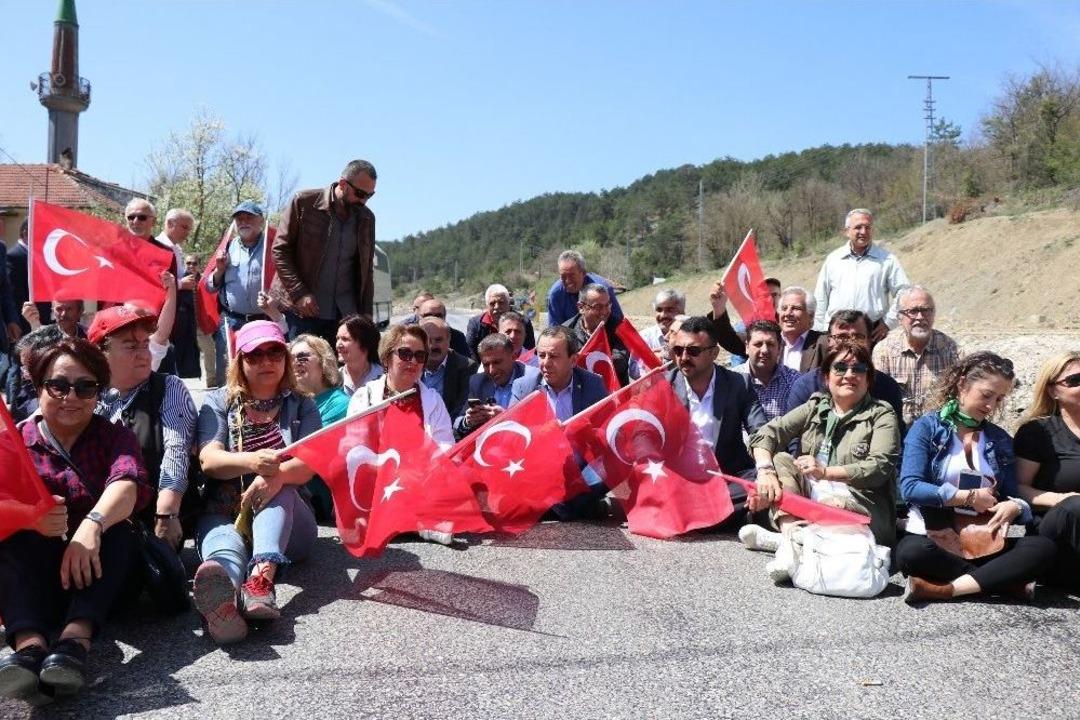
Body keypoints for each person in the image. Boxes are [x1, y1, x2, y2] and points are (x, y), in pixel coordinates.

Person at [0, 338, 151, 700]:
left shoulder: (115, 436)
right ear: (38, 388)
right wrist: (30, 519)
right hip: (40, 579)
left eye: (85, 387)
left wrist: (92, 525)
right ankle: (29, 647)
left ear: (98, 393)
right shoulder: (13, 441)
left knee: (120, 529)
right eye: (59, 385)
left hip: (105, 577)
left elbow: (128, 485)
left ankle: (74, 644)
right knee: (12, 538)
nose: (71, 396)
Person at [193, 321, 320, 644]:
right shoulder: (217, 401)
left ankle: (261, 580)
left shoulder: (303, 403)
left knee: (281, 483)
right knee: (223, 553)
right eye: (255, 354)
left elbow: (307, 466)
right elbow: (209, 460)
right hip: (226, 510)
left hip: (290, 524)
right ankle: (224, 603)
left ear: (286, 358)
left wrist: (273, 475)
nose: (266, 361)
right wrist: (252, 461)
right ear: (240, 361)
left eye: (275, 352)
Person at [896, 352, 1055, 604]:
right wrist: (967, 497)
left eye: (999, 398)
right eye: (986, 394)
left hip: (983, 535)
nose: (991, 405)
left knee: (1042, 548)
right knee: (911, 553)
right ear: (962, 384)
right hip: (933, 534)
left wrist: (1015, 506)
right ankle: (1005, 582)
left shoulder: (999, 438)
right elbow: (910, 488)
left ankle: (944, 589)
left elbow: (1013, 494)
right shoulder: (926, 427)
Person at [741, 340, 901, 584]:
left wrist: (825, 472)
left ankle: (787, 543)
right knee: (782, 460)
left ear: (868, 379)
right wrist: (764, 471)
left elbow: (879, 467)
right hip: (812, 502)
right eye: (840, 368)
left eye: (858, 369)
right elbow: (768, 434)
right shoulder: (816, 406)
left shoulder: (882, 413)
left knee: (834, 503)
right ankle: (791, 538)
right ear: (827, 377)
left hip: (859, 506)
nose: (849, 375)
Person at [88, 305, 197, 551]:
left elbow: (176, 449)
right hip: (94, 518)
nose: (143, 353)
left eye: (144, 343)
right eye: (130, 346)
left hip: (155, 520)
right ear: (100, 353)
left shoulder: (168, 388)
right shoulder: (84, 394)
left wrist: (167, 513)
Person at [272, 159, 378, 349]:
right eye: (360, 194)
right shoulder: (304, 202)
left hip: (344, 315)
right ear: (343, 184)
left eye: (369, 196)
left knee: (339, 375)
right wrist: (299, 292)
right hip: (302, 312)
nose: (363, 201)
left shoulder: (367, 219)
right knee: (301, 369)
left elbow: (366, 269)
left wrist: (366, 312)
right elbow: (280, 250)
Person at [665, 316, 767, 483]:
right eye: (677, 350)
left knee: (757, 494)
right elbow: (644, 433)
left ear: (714, 353)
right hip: (680, 481)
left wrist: (765, 469)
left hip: (728, 477)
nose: (683, 358)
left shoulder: (739, 384)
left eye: (693, 351)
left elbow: (760, 430)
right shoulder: (663, 386)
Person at [1014, 352, 1080, 590]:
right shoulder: (1037, 432)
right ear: (1053, 391)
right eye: (1075, 380)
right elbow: (1018, 489)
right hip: (1056, 533)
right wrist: (1065, 499)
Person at [784, 310, 904, 432]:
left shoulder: (887, 388)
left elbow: (896, 437)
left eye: (858, 337)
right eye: (841, 337)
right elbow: (792, 436)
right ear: (829, 341)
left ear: (869, 341)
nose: (849, 343)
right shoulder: (806, 386)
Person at [347, 323, 454, 448]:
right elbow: (354, 448)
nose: (413, 361)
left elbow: (446, 448)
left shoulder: (434, 401)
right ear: (387, 358)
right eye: (405, 354)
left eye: (420, 356)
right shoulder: (364, 397)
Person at [812, 208, 911, 342]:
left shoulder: (887, 260)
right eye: (858, 227)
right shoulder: (833, 259)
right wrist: (821, 330)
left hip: (872, 333)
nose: (863, 232)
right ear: (847, 231)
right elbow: (821, 296)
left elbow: (904, 292)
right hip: (837, 332)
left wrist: (889, 323)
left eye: (867, 227)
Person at [872, 285, 961, 426]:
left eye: (926, 310)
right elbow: (876, 401)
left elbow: (961, 398)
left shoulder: (951, 350)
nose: (920, 317)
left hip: (938, 431)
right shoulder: (884, 351)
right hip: (896, 431)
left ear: (933, 314)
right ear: (900, 317)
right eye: (913, 311)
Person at [206, 201, 271, 387]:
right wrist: (219, 271)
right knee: (227, 375)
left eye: (249, 217)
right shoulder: (226, 247)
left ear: (261, 220)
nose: (243, 222)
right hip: (232, 322)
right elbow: (209, 287)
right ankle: (225, 413)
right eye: (239, 219)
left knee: (260, 372)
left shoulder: (273, 247)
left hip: (264, 320)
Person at [289, 333, 348, 523]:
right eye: (291, 358)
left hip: (319, 497)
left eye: (303, 357)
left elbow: (311, 452)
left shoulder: (340, 404)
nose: (296, 362)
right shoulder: (290, 401)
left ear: (323, 362)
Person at [453, 333, 540, 439]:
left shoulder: (533, 379)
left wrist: (506, 419)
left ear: (513, 356)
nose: (491, 370)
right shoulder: (477, 381)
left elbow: (540, 425)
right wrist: (468, 421)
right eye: (486, 364)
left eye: (497, 362)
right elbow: (457, 422)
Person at [155, 209, 201, 378]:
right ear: (170, 223)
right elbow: (157, 280)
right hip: (163, 315)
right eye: (184, 227)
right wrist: (182, 284)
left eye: (189, 229)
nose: (187, 233)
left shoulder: (176, 249)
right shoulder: (159, 246)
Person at [562, 283, 630, 387]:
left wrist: (595, 360)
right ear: (581, 307)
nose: (604, 311)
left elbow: (621, 361)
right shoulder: (566, 332)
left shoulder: (618, 327)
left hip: (615, 394)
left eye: (607, 305)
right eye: (598, 307)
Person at [733, 320, 800, 421]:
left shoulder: (794, 381)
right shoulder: (732, 380)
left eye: (770, 344)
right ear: (747, 347)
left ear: (779, 348)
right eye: (758, 344)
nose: (764, 350)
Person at [546, 250, 624, 328]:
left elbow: (618, 322)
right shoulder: (555, 294)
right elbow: (555, 330)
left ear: (583, 273)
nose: (567, 280)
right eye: (563, 276)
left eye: (571, 275)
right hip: (570, 336)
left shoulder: (603, 290)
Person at [4, 325, 65, 423]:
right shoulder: (29, 384)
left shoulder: (73, 394)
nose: (26, 375)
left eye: (31, 367)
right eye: (24, 368)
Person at [420, 316, 476, 420]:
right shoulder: (410, 364)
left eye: (438, 340)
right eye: (427, 341)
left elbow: (461, 409)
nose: (432, 346)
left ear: (449, 340)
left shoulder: (466, 367)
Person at [465, 283, 535, 360]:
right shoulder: (475, 324)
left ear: (508, 304)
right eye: (492, 303)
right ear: (486, 306)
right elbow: (470, 353)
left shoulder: (523, 322)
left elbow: (530, 352)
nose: (497, 307)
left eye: (501, 303)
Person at [7, 219, 52, 335]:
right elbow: (13, 293)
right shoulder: (14, 256)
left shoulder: (38, 255)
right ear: (26, 233)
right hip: (25, 323)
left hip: (42, 321)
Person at [776, 286, 823, 373]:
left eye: (796, 308)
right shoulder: (772, 342)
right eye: (784, 308)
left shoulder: (823, 344)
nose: (788, 313)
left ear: (811, 315)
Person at [336, 314, 383, 396]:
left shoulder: (384, 379)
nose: (338, 345)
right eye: (337, 339)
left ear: (365, 344)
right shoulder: (334, 380)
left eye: (345, 339)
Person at [641, 289, 686, 357]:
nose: (663, 315)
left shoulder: (692, 336)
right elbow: (635, 366)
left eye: (670, 310)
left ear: (682, 313)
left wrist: (670, 356)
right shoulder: (644, 338)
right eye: (659, 310)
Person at [22, 299, 87, 338]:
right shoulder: (45, 335)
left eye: (69, 309)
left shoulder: (89, 336)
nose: (63, 314)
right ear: (53, 311)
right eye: (59, 309)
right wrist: (33, 322)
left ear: (80, 311)